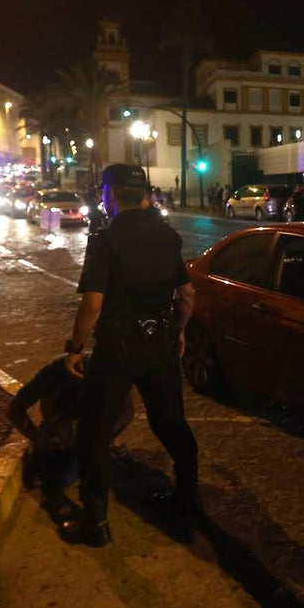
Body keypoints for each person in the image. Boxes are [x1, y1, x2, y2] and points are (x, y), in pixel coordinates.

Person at [58, 163, 201, 547]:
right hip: (159, 347)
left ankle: (96, 521)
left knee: (94, 432)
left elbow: (92, 304)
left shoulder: (105, 240)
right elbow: (186, 294)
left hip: (117, 350)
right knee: (171, 422)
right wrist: (180, 331)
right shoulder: (168, 237)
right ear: (145, 196)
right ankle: (188, 496)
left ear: (108, 197)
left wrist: (74, 348)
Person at [8, 353, 135, 513]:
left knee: (94, 463)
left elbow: (125, 415)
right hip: (62, 417)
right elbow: (15, 409)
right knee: (61, 474)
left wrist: (103, 438)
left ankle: (98, 446)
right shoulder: (52, 375)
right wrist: (38, 437)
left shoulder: (113, 379)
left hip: (93, 419)